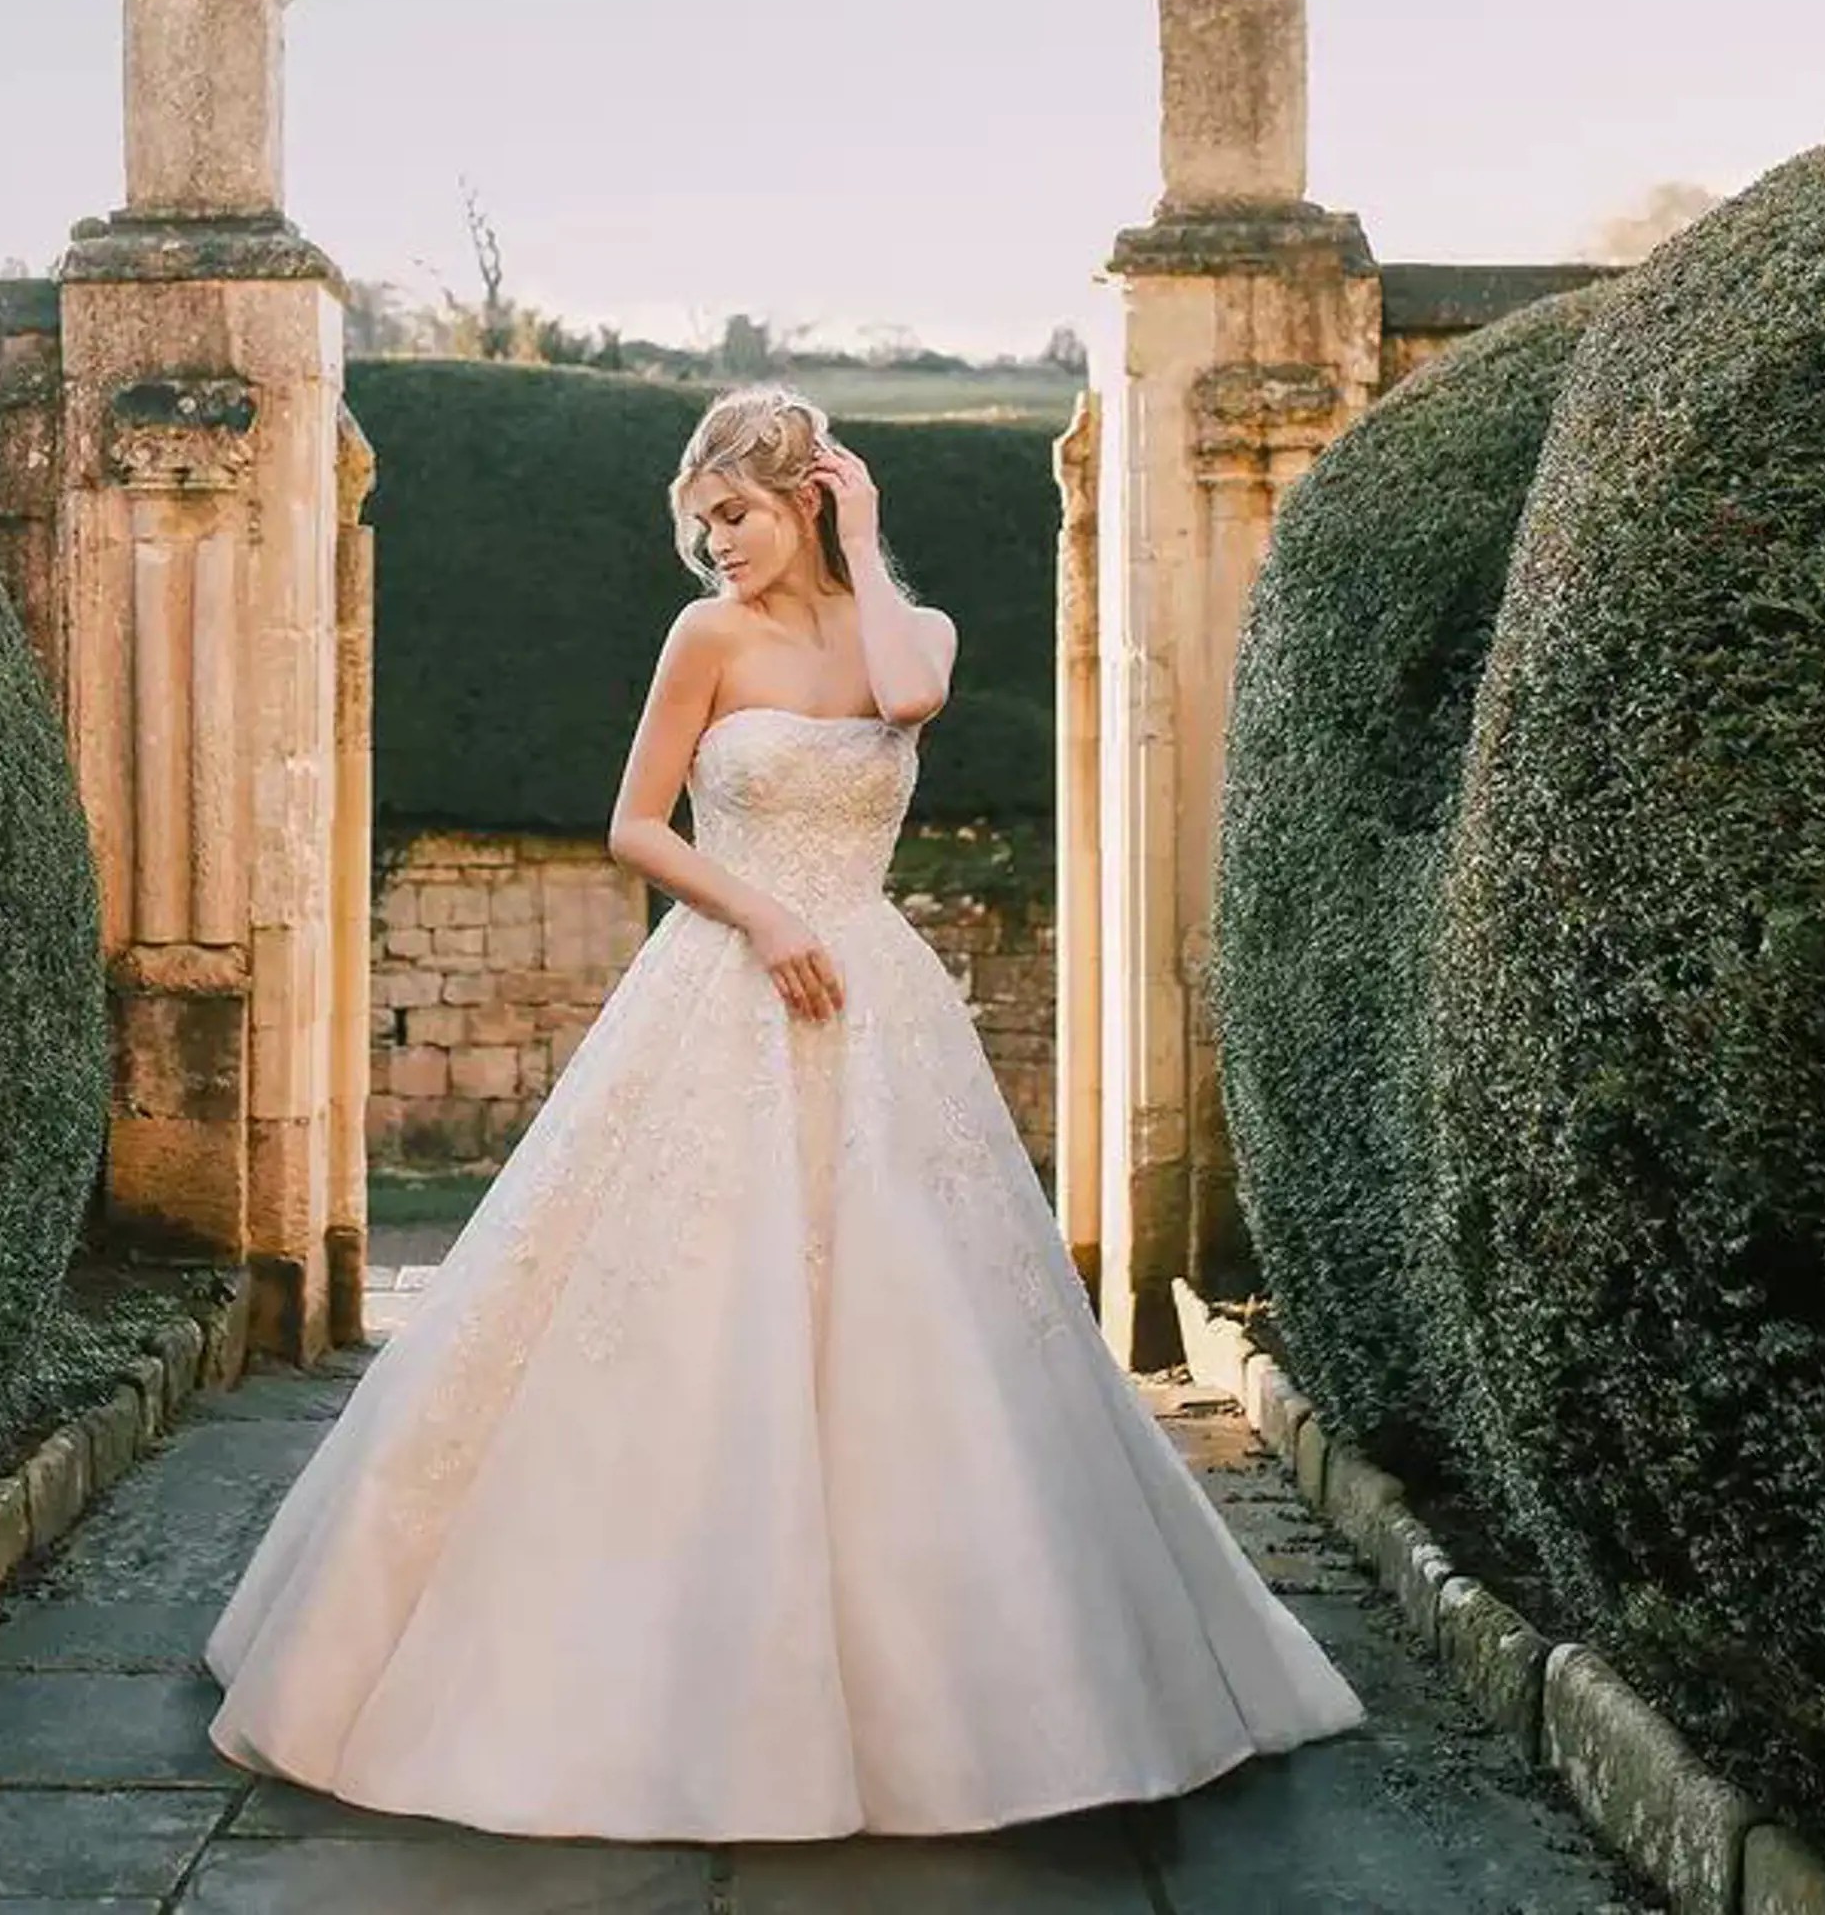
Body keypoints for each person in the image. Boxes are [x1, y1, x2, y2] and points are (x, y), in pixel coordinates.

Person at [203, 384, 1363, 1840]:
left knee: (919, 1309)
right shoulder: (705, 637)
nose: (718, 550)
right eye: (703, 526)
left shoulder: (907, 629)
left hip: (871, 994)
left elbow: (910, 697)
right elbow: (636, 822)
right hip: (733, 975)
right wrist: (760, 916)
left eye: (737, 515)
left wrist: (863, 535)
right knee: (675, 1295)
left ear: (803, 497)